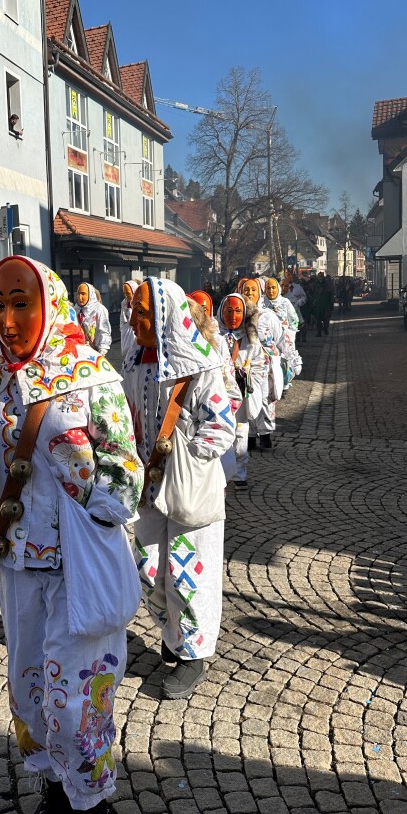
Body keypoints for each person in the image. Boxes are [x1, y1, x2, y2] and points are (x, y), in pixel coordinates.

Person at [0, 255, 143, 814]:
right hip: (18, 568)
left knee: (75, 698)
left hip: (78, 570)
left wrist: (82, 474)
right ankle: (58, 791)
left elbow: (128, 482)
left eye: (22, 303)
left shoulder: (91, 375)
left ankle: (91, 804)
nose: (9, 319)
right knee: (28, 692)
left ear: (51, 303)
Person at [123, 277, 235, 699]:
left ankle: (194, 654)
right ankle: (173, 635)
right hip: (148, 488)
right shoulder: (134, 362)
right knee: (149, 567)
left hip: (190, 493)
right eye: (134, 311)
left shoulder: (201, 364)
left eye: (144, 313)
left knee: (188, 573)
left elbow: (221, 427)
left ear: (166, 316)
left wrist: (182, 455)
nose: (135, 320)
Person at [190, 289, 244, 486]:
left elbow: (230, 386)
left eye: (203, 309)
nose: (198, 315)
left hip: (213, 419)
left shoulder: (217, 341)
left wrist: (223, 411)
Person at [218, 293, 267, 483]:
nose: (233, 316)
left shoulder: (250, 340)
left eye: (238, 311)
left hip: (241, 392)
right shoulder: (213, 336)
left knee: (240, 431)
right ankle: (221, 472)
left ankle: (239, 472)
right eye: (228, 311)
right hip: (219, 393)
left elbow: (260, 365)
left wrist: (248, 378)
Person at [240, 278, 282, 449]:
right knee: (246, 398)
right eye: (246, 290)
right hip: (243, 364)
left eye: (253, 290)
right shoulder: (237, 312)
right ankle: (248, 436)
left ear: (260, 292)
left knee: (264, 397)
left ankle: (265, 434)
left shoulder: (268, 316)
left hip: (264, 365)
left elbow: (279, 338)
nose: (249, 294)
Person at [263, 277, 302, 391]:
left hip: (284, 338)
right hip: (268, 339)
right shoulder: (262, 303)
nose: (271, 291)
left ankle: (285, 383)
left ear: (278, 288)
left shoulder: (285, 302)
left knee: (284, 361)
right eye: (268, 288)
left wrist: (290, 333)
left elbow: (294, 319)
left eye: (273, 288)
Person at [75, 283, 112, 356]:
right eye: (78, 294)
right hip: (79, 352)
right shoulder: (75, 310)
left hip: (94, 353)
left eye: (83, 294)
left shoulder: (99, 309)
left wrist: (102, 351)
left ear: (90, 295)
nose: (80, 297)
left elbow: (104, 331)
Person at [119, 279, 139, 363]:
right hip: (126, 333)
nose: (126, 296)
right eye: (124, 294)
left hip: (136, 334)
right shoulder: (124, 303)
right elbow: (122, 318)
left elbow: (139, 317)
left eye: (128, 293)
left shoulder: (140, 303)